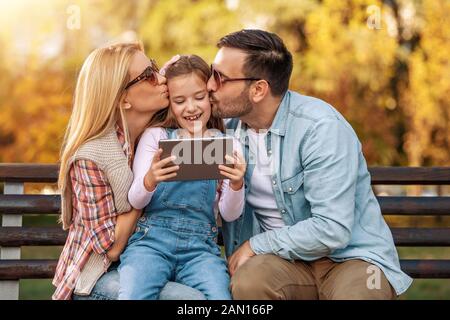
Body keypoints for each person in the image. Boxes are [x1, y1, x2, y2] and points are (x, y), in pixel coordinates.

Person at [207, 29, 413, 299]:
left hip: (350, 258)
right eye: (211, 73)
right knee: (248, 283)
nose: (210, 85)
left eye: (220, 77)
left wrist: (256, 245)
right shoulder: (226, 133)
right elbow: (172, 110)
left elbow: (332, 230)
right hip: (281, 263)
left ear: (258, 90)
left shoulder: (320, 128)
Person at [53, 43, 204, 300]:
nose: (161, 78)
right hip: (99, 277)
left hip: (152, 259)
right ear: (123, 98)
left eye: (155, 67)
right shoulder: (92, 156)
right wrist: (145, 185)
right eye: (148, 75)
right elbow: (111, 249)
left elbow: (202, 103)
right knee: (190, 301)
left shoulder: (155, 132)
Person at [118, 55, 246, 300]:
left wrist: (237, 184)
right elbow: (136, 200)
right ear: (170, 105)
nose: (191, 107)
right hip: (151, 242)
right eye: (179, 101)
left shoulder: (225, 144)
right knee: (134, 293)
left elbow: (230, 214)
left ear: (209, 96)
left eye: (199, 97)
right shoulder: (156, 137)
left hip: (200, 250)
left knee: (221, 296)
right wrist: (150, 179)